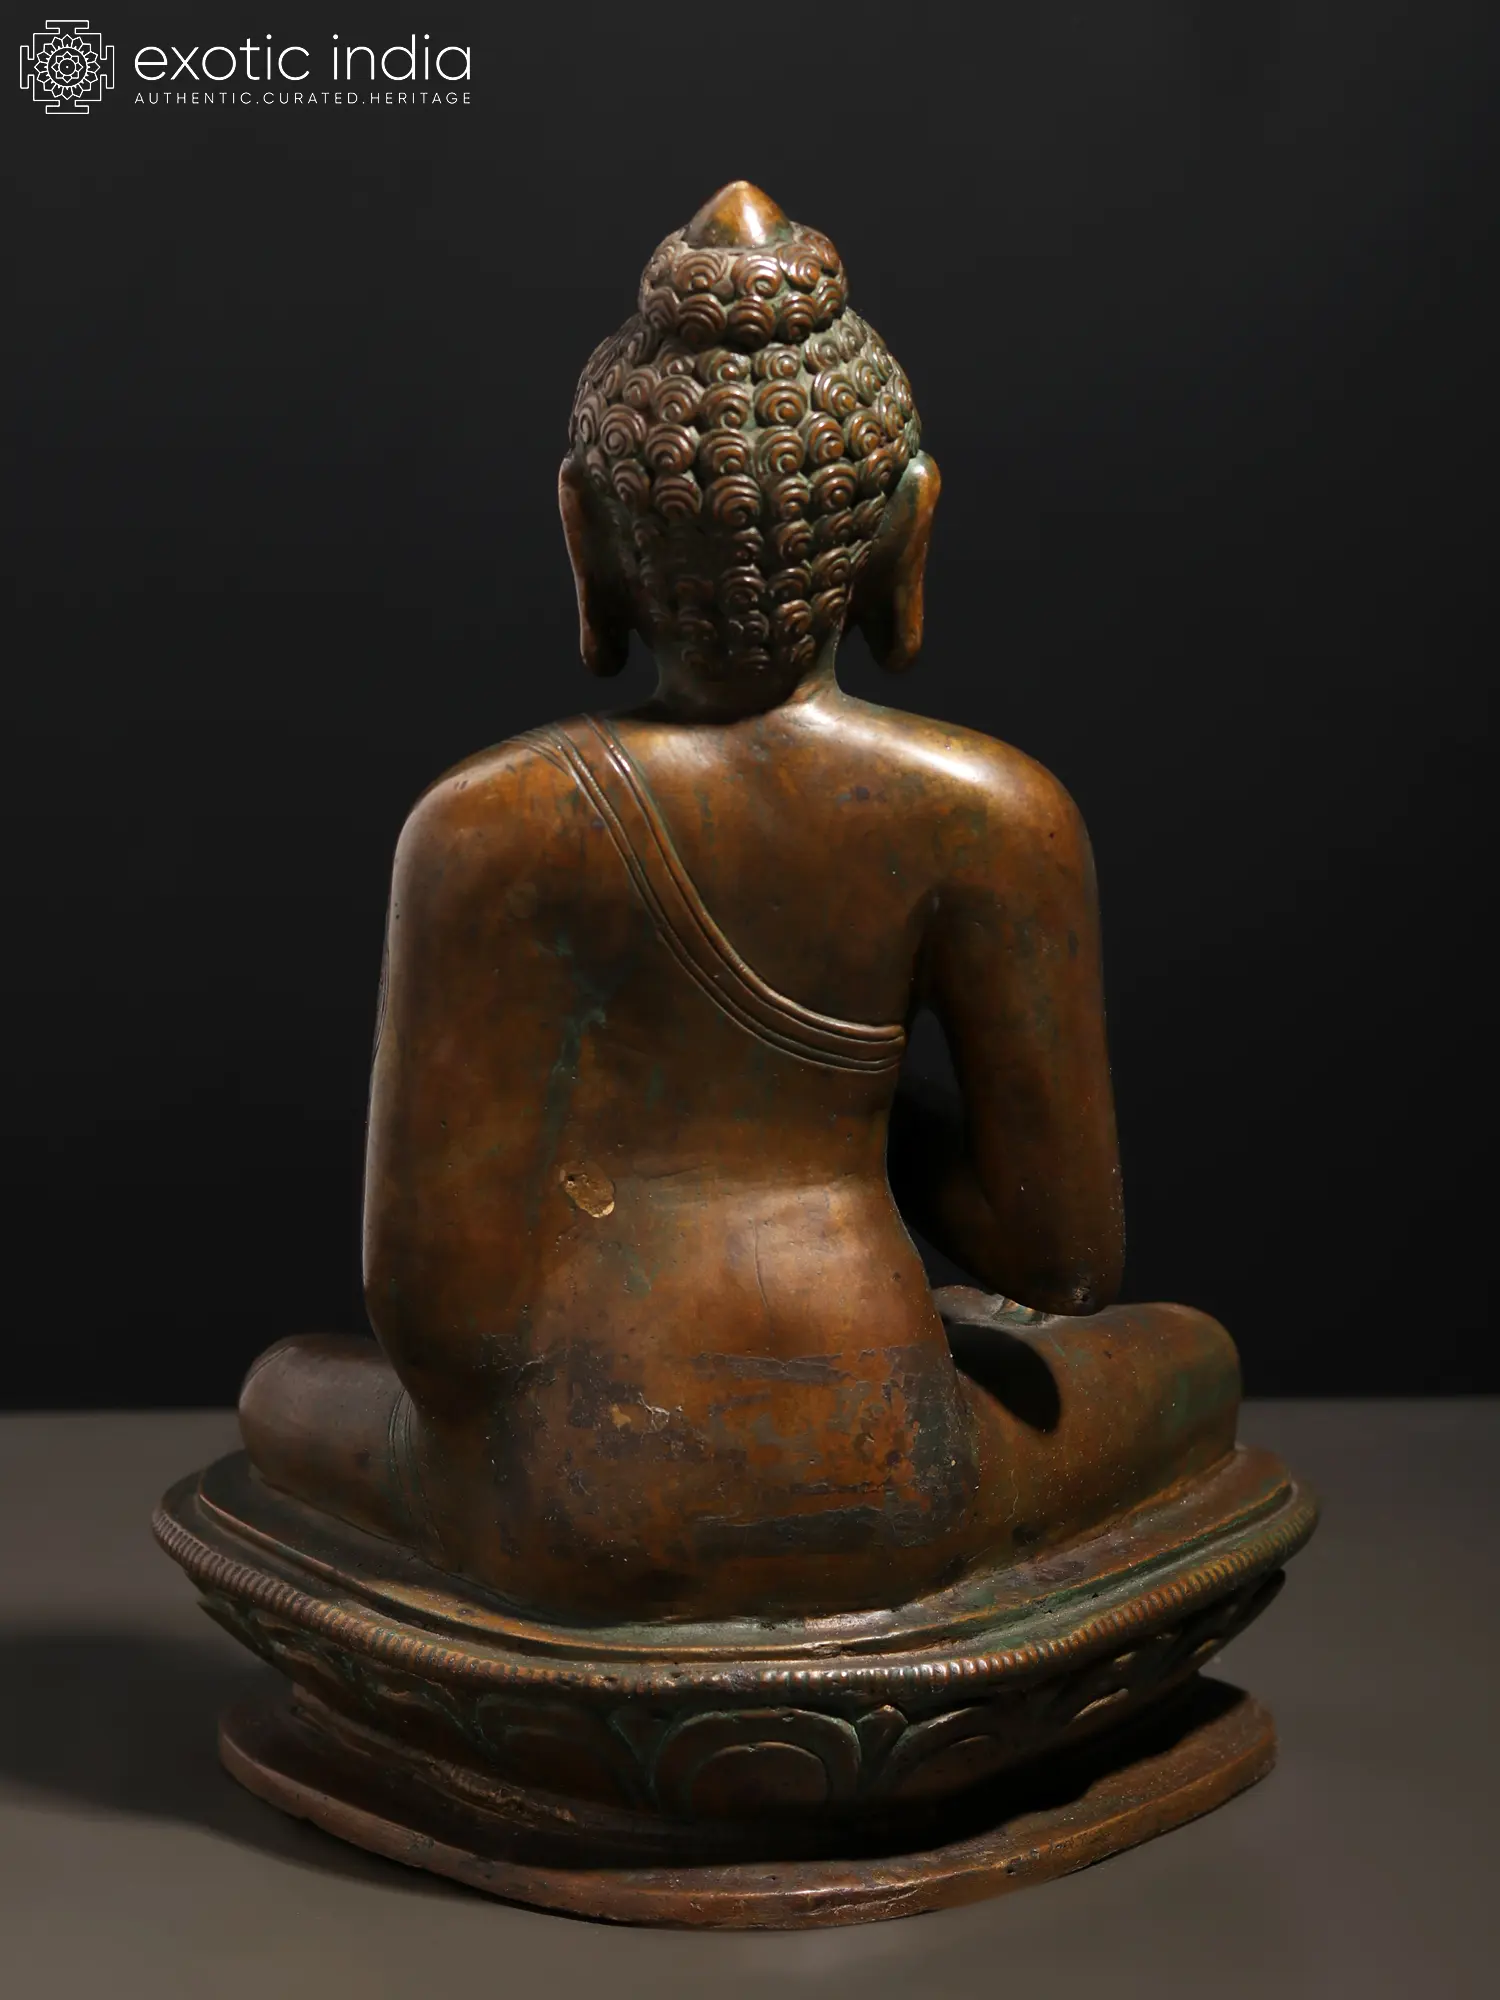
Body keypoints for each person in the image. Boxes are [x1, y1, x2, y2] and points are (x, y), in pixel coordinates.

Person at [240, 183, 1238, 1624]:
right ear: (908, 526)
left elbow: (438, 1323)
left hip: (567, 1497)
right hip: (886, 1468)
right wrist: (845, 1113)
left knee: (281, 1390)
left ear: (586, 534)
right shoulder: (993, 812)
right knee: (1190, 1357)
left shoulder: (482, 828)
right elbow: (1060, 1258)